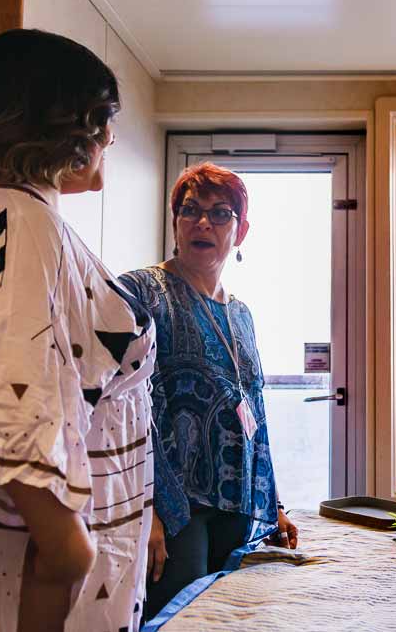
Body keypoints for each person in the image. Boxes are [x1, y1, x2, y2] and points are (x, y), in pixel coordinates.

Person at [0, 29, 156, 631]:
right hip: (28, 563)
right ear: (60, 122)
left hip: (17, 546)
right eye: (101, 119)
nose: (108, 136)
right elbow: (12, 390)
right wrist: (69, 549)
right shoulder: (20, 220)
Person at [119, 162, 298, 620]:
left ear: (240, 232)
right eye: (190, 210)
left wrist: (273, 504)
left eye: (220, 214)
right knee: (180, 618)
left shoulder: (242, 314)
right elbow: (123, 406)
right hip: (174, 502)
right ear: (175, 222)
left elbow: (254, 406)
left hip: (237, 500)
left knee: (230, 619)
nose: (203, 222)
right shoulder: (141, 291)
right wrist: (146, 508)